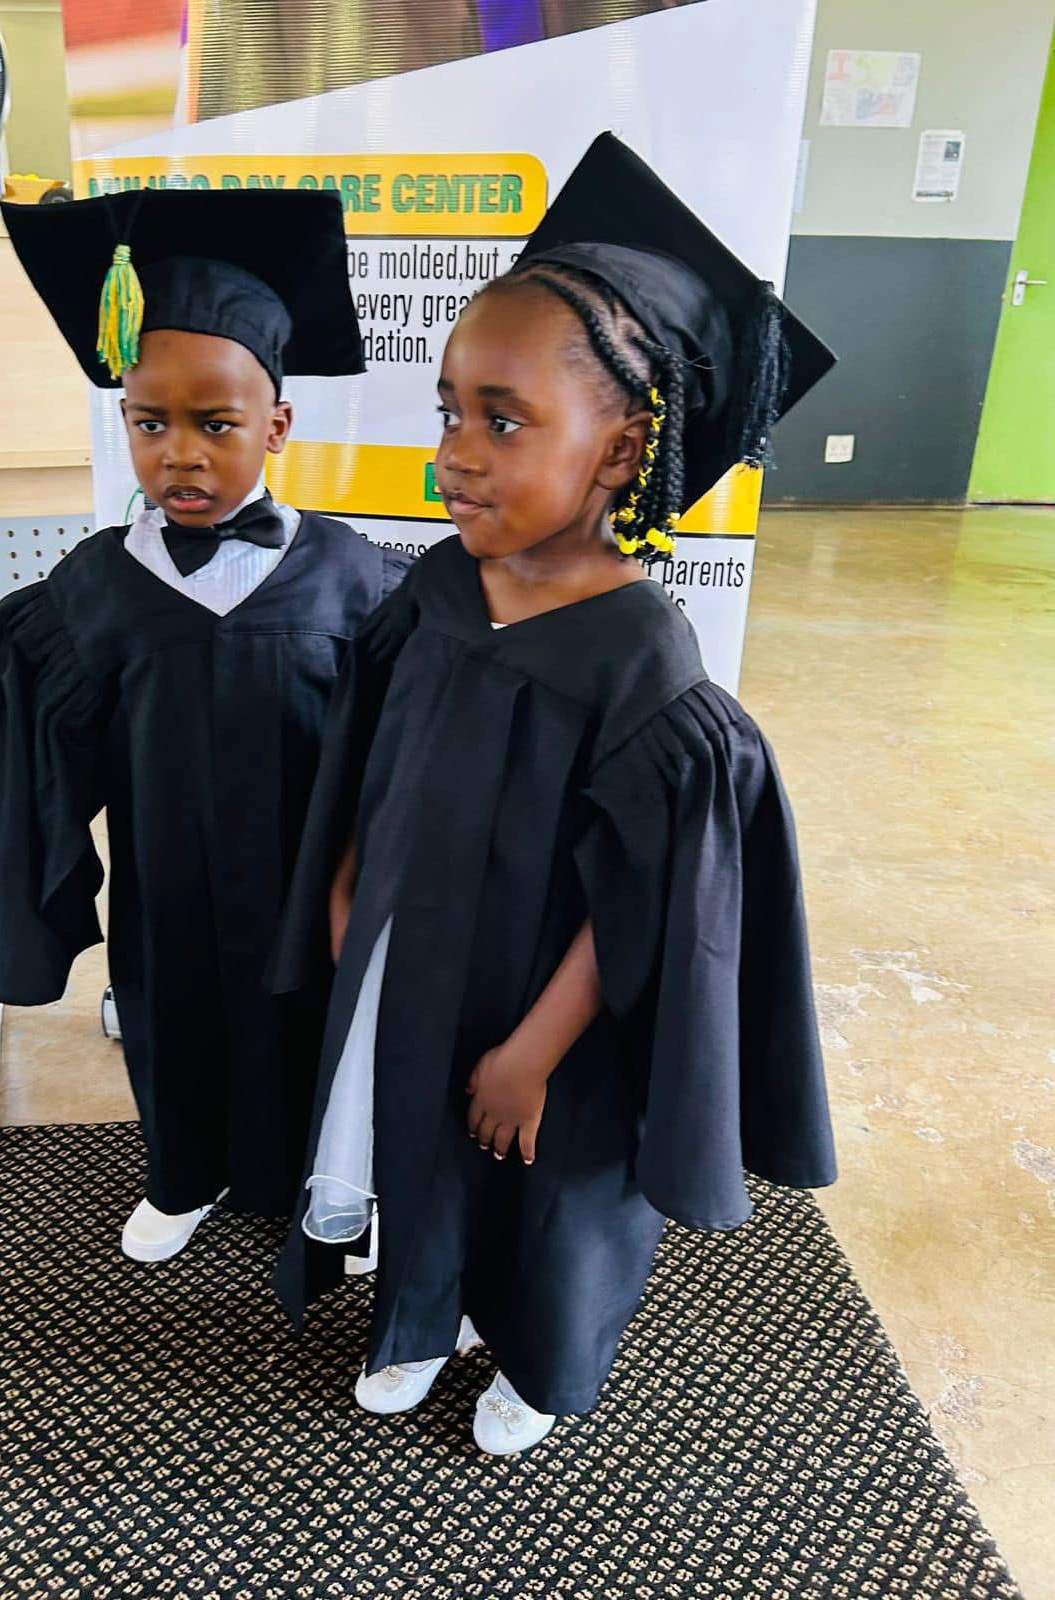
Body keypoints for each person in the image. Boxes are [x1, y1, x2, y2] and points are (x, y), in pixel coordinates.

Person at [270, 134, 838, 1453]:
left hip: (555, 1013)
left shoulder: (641, 654)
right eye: (449, 411)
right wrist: (351, 874)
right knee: (419, 1140)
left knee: (549, 1189)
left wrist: (533, 1048)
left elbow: (650, 898)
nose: (454, 456)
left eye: (503, 420)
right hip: (418, 955)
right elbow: (378, 755)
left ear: (622, 449)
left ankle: (539, 1361)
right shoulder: (438, 589)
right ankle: (421, 1315)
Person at [0, 189, 408, 1262]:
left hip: (310, 888)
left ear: (276, 425)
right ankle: (186, 1174)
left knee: (317, 1036)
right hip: (166, 888)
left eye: (216, 424)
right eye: (150, 423)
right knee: (172, 1032)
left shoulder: (357, 581)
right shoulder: (92, 590)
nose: (179, 453)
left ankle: (341, 1191)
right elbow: (35, 759)